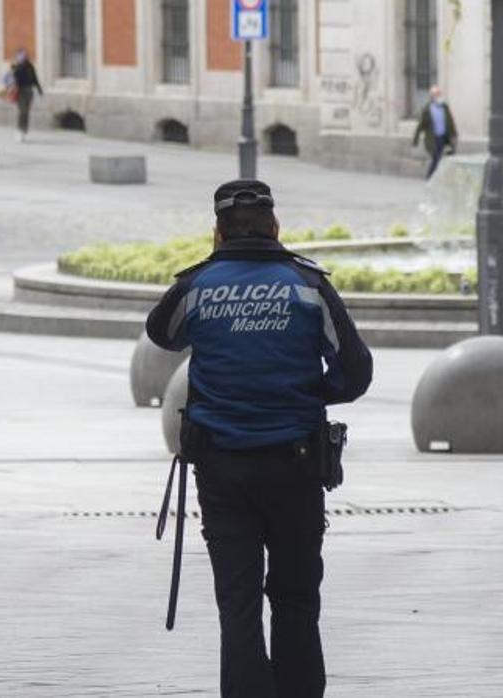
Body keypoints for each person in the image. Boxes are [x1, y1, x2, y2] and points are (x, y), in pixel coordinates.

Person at [146, 180, 373, 698]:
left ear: (218, 232)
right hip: (294, 465)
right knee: (296, 600)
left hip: (222, 469)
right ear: (275, 227)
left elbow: (162, 332)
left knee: (238, 603)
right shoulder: (309, 285)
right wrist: (309, 392)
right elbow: (356, 373)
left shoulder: (197, 285)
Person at [411, 85, 458, 179]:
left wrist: (454, 134)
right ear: (432, 96)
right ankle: (429, 177)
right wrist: (415, 140)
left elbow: (450, 121)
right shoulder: (427, 109)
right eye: (437, 94)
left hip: (443, 137)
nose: (439, 95)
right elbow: (421, 125)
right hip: (432, 138)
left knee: (441, 158)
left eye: (439, 93)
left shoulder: (444, 107)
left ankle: (434, 177)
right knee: (436, 157)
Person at [10, 49, 43, 141]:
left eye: (24, 56)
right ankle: (19, 130)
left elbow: (35, 78)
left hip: (29, 90)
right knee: (22, 111)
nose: (23, 58)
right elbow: (14, 77)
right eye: (21, 56)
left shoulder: (30, 66)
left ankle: (24, 129)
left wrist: (39, 89)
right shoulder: (17, 67)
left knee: (27, 111)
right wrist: (15, 66)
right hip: (20, 91)